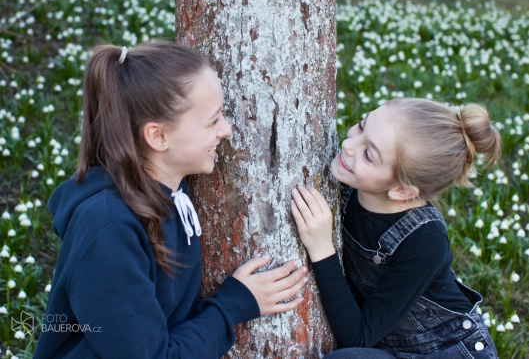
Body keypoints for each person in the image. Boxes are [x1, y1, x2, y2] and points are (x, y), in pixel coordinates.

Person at [33, 41, 308, 359]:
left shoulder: (170, 190)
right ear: (158, 137)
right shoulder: (108, 232)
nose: (227, 130)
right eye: (213, 121)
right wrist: (233, 306)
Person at [291, 98, 501, 358]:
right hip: (389, 344)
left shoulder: (425, 242)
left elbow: (356, 337)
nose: (348, 144)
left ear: (401, 191)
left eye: (368, 154)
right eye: (361, 125)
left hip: (441, 351)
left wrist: (321, 247)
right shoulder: (350, 186)